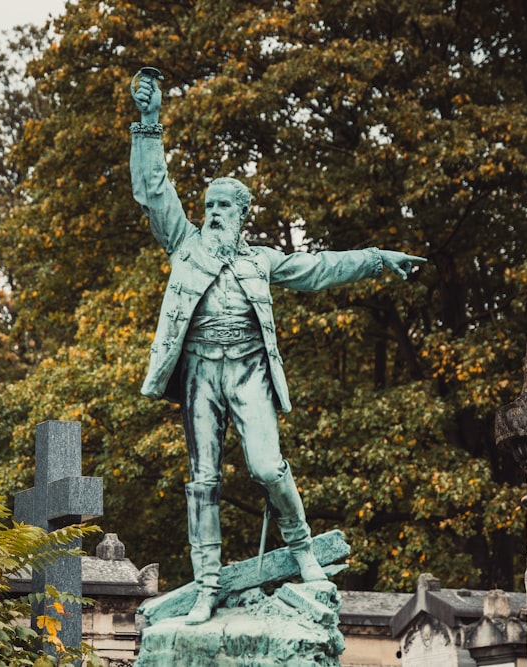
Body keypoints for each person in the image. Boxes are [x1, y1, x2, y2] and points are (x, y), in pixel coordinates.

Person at [129, 69, 426, 625]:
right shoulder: (183, 242)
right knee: (203, 481)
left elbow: (319, 268)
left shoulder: (261, 260)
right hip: (198, 372)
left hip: (246, 371)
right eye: (209, 204)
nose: (213, 212)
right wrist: (149, 125)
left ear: (242, 218)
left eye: (224, 206)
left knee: (267, 467)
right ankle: (207, 587)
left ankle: (303, 551)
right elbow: (153, 189)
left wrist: (378, 257)